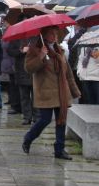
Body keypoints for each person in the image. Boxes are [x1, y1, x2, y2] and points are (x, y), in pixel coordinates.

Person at [22, 26, 82, 159]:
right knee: (45, 119)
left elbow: (68, 73)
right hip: (46, 92)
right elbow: (28, 68)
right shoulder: (35, 49)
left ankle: (59, 150)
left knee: (61, 120)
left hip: (61, 92)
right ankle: (28, 138)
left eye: (56, 33)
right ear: (44, 35)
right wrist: (41, 56)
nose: (54, 36)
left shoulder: (59, 49)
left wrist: (75, 91)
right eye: (51, 34)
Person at [8, 36, 40, 126]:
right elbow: (10, 51)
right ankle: (27, 117)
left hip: (34, 69)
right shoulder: (16, 38)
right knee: (24, 96)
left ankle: (37, 116)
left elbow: (42, 51)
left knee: (35, 96)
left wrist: (33, 50)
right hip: (21, 70)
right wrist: (21, 51)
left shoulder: (38, 37)